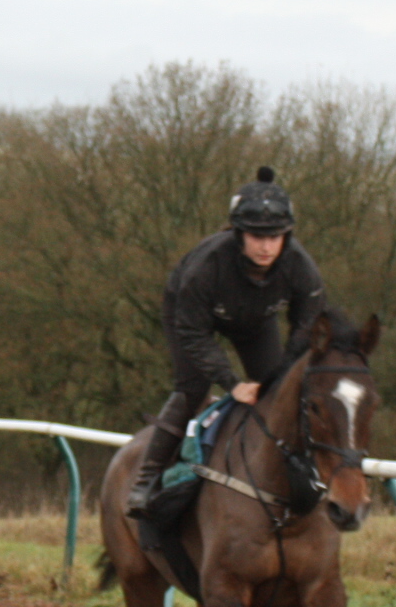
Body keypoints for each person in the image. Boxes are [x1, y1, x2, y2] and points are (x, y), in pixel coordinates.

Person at [125, 166, 328, 521]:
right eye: (255, 236)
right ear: (238, 233)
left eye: (275, 237)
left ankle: (299, 477)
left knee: (281, 391)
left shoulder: (301, 267)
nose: (266, 247)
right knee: (193, 387)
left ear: (287, 235)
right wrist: (232, 384)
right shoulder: (206, 267)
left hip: (255, 319)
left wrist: (281, 374)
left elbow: (306, 329)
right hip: (193, 319)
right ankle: (145, 480)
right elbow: (192, 334)